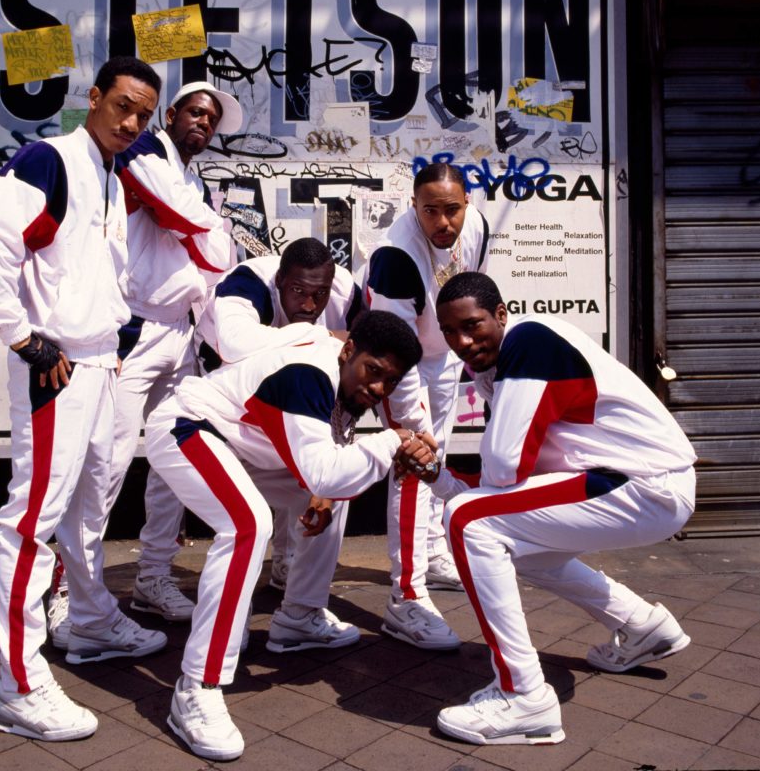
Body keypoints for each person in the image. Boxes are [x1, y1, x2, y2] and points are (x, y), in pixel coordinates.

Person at [0, 56, 168, 742]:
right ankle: (18, 685)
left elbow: (89, 271)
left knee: (90, 503)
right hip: (59, 366)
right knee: (32, 519)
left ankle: (88, 621)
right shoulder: (50, 158)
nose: (132, 122)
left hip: (101, 361)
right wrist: (23, 338)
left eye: (143, 114)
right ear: (95, 97)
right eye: (123, 106)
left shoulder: (110, 173)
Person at [400, 271, 696, 746]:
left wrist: (460, 487)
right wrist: (437, 474)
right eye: (451, 332)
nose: (462, 341)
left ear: (501, 315)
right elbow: (516, 479)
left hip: (643, 484)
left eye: (473, 325)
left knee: (470, 522)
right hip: (635, 483)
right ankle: (642, 626)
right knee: (524, 548)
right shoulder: (499, 366)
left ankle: (524, 698)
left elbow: (505, 466)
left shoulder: (530, 340)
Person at [144, 310, 423, 761]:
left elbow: (328, 470)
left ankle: (299, 616)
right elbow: (323, 469)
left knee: (332, 498)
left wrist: (327, 489)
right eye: (373, 372)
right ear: (349, 350)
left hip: (252, 446)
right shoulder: (310, 374)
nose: (376, 390)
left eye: (388, 383)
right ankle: (197, 686)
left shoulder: (340, 374)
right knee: (247, 525)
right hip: (191, 426)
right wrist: (392, 441)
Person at [46, 80, 242, 645]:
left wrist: (205, 234)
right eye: (196, 112)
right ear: (174, 114)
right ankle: (70, 598)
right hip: (132, 328)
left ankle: (152, 577)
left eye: (212, 119)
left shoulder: (192, 174)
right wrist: (205, 230)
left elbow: (212, 256)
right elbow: (200, 234)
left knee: (174, 461)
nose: (203, 123)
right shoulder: (142, 151)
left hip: (177, 333)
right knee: (103, 467)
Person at [195, 237, 364, 638]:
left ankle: (300, 613)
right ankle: (154, 576)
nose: (309, 304)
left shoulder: (344, 291)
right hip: (215, 418)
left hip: (273, 413)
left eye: (319, 294)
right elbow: (237, 344)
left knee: (331, 489)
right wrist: (322, 337)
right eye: (298, 292)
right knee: (243, 520)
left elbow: (360, 366)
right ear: (279, 280)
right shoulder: (248, 281)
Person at [359, 162, 489, 649]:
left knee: (442, 457)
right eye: (430, 211)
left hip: (441, 355)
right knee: (416, 463)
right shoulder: (395, 255)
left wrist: (464, 360)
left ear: (467, 204)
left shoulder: (476, 224)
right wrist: (413, 423)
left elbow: (468, 292)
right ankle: (405, 596)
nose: (443, 223)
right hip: (396, 357)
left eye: (451, 210)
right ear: (414, 206)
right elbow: (391, 348)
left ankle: (434, 554)